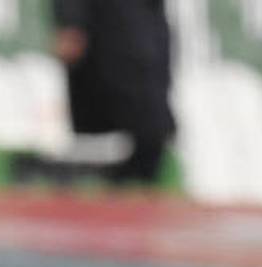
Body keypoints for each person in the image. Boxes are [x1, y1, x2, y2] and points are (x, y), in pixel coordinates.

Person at [51, 0, 175, 184]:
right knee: (119, 125)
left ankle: (132, 182)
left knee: (150, 131)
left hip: (144, 28)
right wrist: (71, 20)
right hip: (108, 29)